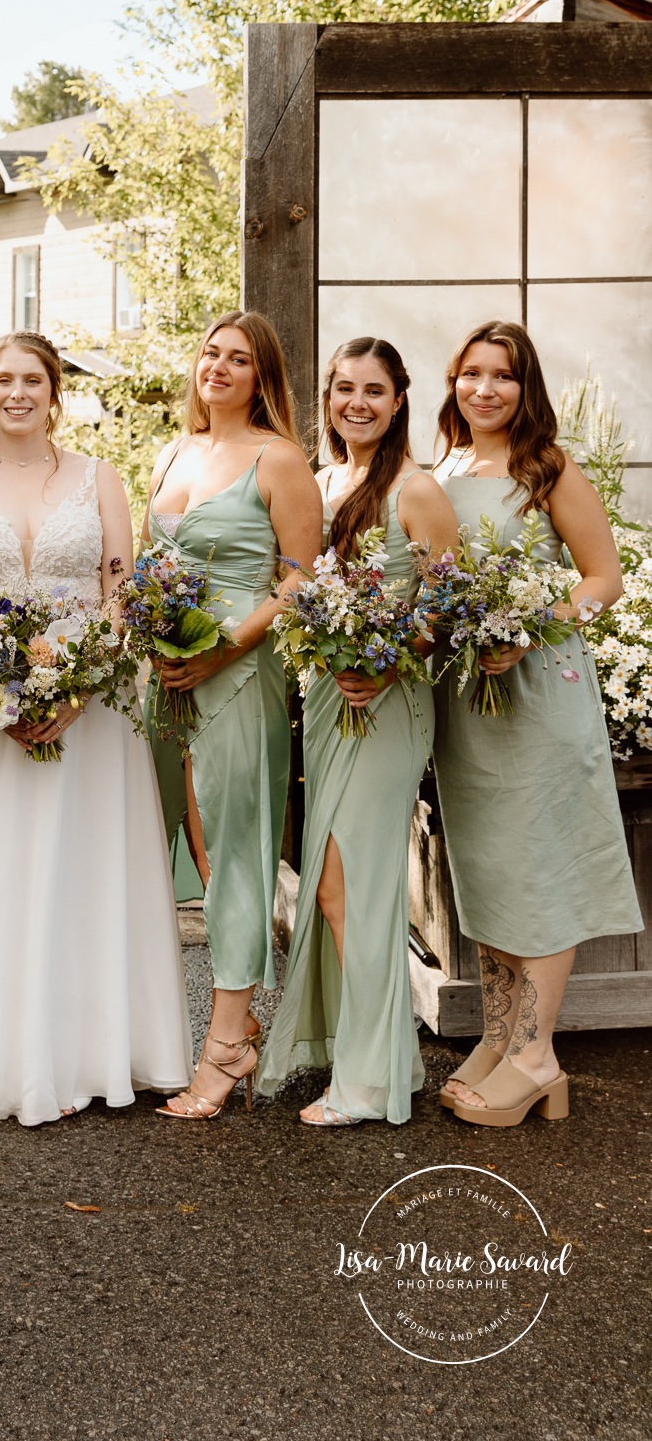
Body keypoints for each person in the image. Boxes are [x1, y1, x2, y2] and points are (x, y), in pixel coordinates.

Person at [0, 334, 192, 1125]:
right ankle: (3, 1052)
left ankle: (107, 1047)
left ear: (55, 393)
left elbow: (120, 589)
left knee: (89, 864)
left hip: (92, 708)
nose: (17, 393)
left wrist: (79, 686)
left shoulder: (97, 477)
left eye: (32, 380)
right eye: (2, 380)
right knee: (7, 868)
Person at [432, 321, 642, 1128]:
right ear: (451, 382)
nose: (483, 389)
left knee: (539, 862)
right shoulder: (441, 470)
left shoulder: (546, 467)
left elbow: (603, 578)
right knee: (490, 865)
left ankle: (536, 1052)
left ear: (527, 389)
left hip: (540, 693)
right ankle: (499, 1034)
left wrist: (529, 624)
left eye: (502, 376)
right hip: (470, 703)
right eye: (470, 374)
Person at [257, 338, 457, 1126]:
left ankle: (369, 1081)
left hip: (386, 707)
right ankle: (378, 1057)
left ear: (398, 399)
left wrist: (388, 658)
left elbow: (443, 607)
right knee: (335, 889)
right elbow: (295, 587)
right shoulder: (318, 482)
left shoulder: (415, 490)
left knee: (353, 889)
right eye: (343, 389)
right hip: (325, 701)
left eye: (374, 391)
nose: (357, 404)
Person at [144, 310, 321, 1121]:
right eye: (210, 353)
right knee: (193, 855)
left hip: (237, 674)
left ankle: (224, 1048)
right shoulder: (174, 450)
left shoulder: (277, 459)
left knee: (236, 853)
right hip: (167, 677)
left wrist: (223, 649)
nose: (217, 367)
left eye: (238, 359)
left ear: (262, 377)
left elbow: (297, 581)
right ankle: (235, 1015)